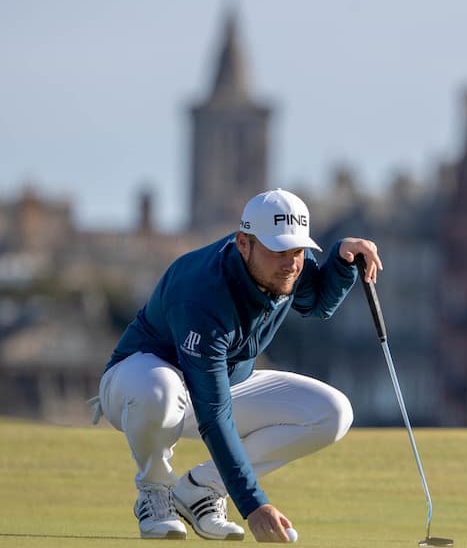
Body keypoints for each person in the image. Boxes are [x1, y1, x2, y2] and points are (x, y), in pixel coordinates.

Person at [91, 189, 382, 542]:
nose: (291, 262)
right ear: (243, 243)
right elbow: (214, 414)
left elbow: (317, 304)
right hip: (135, 384)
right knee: (159, 392)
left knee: (333, 412)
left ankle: (201, 489)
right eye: (279, 251)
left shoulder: (280, 267)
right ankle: (155, 492)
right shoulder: (202, 294)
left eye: (298, 251)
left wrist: (341, 258)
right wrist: (253, 503)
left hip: (219, 386)